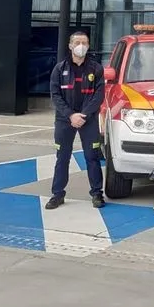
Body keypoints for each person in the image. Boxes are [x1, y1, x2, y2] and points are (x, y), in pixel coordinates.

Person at [46, 31, 106, 210]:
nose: (81, 46)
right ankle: (58, 194)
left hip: (89, 119)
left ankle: (97, 194)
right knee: (62, 157)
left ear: (88, 46)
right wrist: (71, 115)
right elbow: (55, 95)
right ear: (70, 45)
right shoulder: (59, 69)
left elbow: (99, 96)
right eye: (78, 42)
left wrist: (84, 115)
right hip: (65, 120)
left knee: (92, 157)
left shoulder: (96, 69)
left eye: (85, 42)